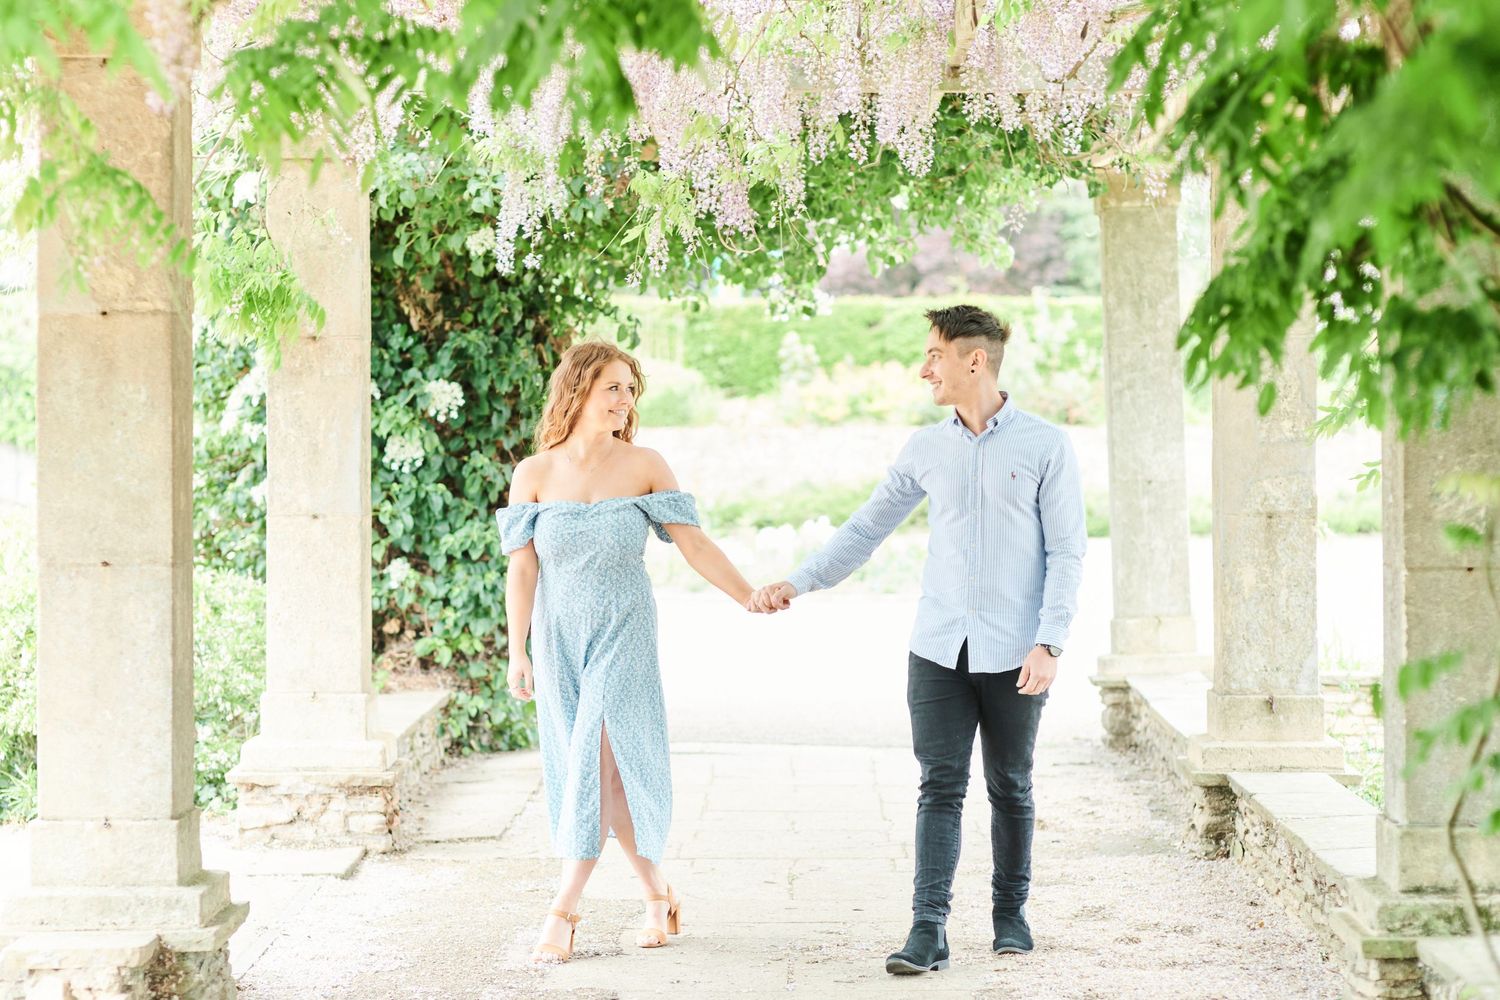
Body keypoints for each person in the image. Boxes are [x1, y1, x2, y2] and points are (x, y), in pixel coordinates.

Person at [749, 304, 1087, 974]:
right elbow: (868, 528)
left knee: (1011, 784)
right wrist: (800, 580)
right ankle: (927, 929)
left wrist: (1050, 641)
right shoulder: (924, 449)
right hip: (938, 648)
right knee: (939, 785)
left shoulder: (1046, 445)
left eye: (934, 354)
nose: (923, 368)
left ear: (974, 360)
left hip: (1018, 649)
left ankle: (1009, 914)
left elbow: (1068, 552)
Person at [498, 341, 764, 964]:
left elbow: (693, 545)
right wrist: (518, 651)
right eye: (613, 387)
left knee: (596, 757)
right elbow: (521, 573)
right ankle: (656, 894)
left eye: (630, 389)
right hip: (560, 639)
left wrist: (747, 595)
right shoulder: (533, 473)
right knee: (600, 776)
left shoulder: (645, 464)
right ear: (578, 390)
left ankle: (562, 912)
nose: (625, 400)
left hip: (625, 633)